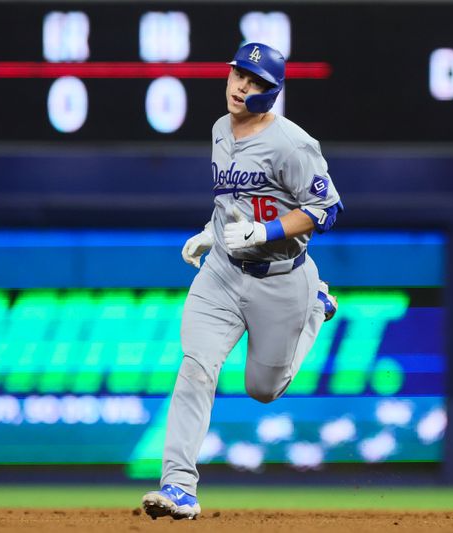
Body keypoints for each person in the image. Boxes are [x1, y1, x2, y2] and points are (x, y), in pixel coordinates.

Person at [141, 42, 342, 520]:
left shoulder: (292, 144)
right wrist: (210, 234)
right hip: (223, 275)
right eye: (238, 75)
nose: (241, 86)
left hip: (281, 278)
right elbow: (234, 202)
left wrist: (267, 231)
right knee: (196, 367)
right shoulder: (218, 129)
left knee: (264, 389)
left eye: (254, 82)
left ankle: (316, 305)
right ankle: (179, 486)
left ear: (271, 92)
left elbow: (328, 209)